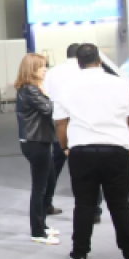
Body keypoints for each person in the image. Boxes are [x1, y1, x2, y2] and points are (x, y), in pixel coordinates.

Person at [54, 44, 129, 259]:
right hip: (116, 150)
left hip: (81, 151)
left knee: (84, 203)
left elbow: (60, 123)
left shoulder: (66, 87)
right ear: (100, 61)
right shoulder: (121, 84)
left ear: (78, 63)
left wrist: (65, 147)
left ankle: (79, 252)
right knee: (120, 204)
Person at [43, 44, 104, 223]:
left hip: (59, 125)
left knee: (53, 167)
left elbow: (45, 96)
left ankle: (45, 203)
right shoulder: (87, 73)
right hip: (83, 127)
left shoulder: (53, 72)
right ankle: (94, 210)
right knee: (90, 170)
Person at [15, 53, 59, 245]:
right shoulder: (31, 90)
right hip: (36, 142)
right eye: (42, 67)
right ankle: (38, 232)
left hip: (38, 140)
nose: (45, 70)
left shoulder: (30, 89)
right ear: (32, 69)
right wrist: (48, 95)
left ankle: (42, 225)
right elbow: (49, 109)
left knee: (47, 182)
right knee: (40, 187)